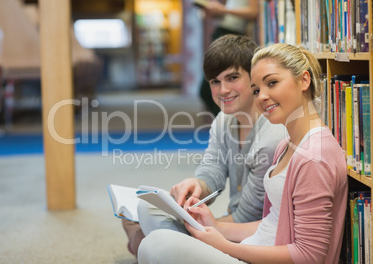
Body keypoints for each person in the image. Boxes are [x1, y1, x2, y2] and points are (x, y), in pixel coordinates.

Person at [137, 43, 348, 264]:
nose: (262, 96)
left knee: (156, 244)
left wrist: (224, 246)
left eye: (272, 83)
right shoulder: (287, 144)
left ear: (304, 80)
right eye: (257, 89)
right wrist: (215, 226)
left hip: (254, 254)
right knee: (151, 215)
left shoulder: (314, 156)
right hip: (253, 245)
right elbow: (273, 222)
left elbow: (309, 256)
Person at [122, 35, 286, 257]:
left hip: (248, 241)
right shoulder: (223, 120)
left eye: (232, 78)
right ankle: (146, 239)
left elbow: (246, 217)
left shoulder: (270, 138)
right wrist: (197, 184)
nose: (223, 90)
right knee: (147, 208)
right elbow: (213, 172)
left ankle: (144, 240)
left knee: (155, 241)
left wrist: (195, 228)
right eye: (215, 82)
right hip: (228, 229)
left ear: (253, 78)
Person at [199, 0, 259, 117]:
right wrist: (218, 12)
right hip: (223, 29)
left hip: (231, 32)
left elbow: (253, 12)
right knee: (209, 88)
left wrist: (222, 10)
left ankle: (230, 117)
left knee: (207, 89)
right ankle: (228, 119)